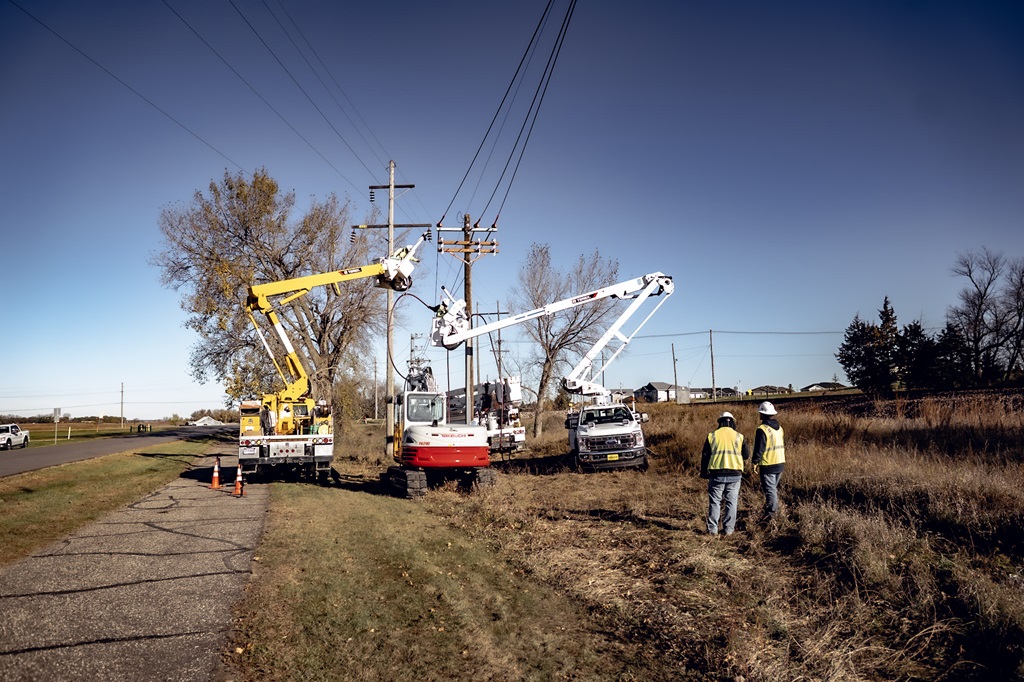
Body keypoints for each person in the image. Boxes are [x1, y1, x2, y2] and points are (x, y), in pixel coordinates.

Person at [700, 411, 749, 536]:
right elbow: (746, 455)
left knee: (715, 502)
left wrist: (703, 472)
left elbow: (705, 456)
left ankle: (713, 531)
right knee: (731, 502)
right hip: (735, 474)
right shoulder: (739, 436)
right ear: (732, 422)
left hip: (716, 474)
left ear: (720, 422)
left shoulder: (712, 436)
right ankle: (728, 531)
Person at [751, 401, 786, 521]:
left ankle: (771, 516)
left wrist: (755, 462)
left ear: (762, 414)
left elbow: (759, 448)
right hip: (780, 463)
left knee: (771, 492)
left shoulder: (762, 429)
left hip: (768, 465)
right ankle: (769, 511)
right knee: (772, 490)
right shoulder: (779, 428)